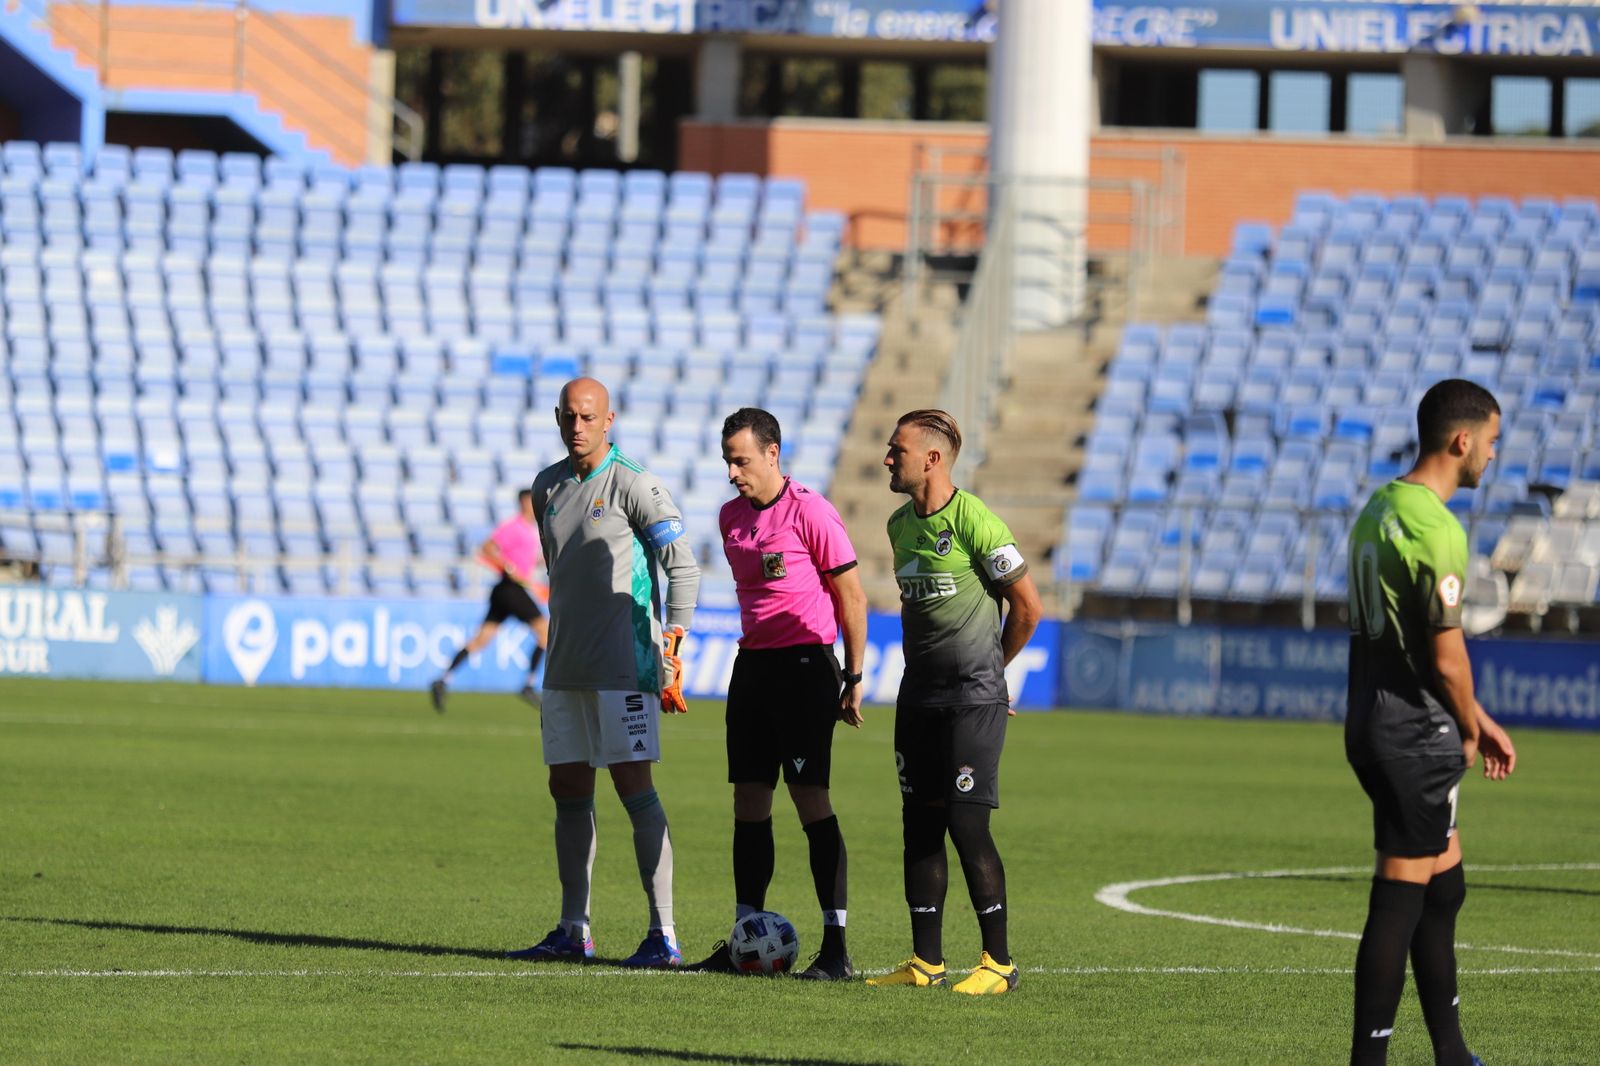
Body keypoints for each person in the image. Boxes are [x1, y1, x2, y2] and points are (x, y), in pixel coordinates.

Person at [1345, 378, 1516, 1066]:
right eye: (1493, 443)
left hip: (1377, 717)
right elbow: (1447, 657)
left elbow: (1411, 644)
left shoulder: (1379, 507)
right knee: (1400, 896)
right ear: (1462, 441)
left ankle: (1452, 1052)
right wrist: (1468, 729)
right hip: (1415, 733)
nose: (1493, 458)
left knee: (1444, 885)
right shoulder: (1437, 528)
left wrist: (1480, 718)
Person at [507, 377, 701, 969]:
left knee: (634, 788)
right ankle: (574, 928)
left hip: (625, 666)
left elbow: (683, 567)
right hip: (566, 664)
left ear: (608, 419)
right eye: (568, 416)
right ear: (557, 417)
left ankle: (663, 935)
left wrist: (671, 642)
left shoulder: (634, 484)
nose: (577, 426)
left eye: (588, 417)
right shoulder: (547, 487)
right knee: (566, 789)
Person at [684, 408, 869, 981]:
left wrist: (854, 678)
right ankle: (746, 937)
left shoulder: (811, 510)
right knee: (748, 802)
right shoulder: (729, 517)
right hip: (753, 668)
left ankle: (835, 948)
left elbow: (852, 597)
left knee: (810, 798)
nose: (733, 473)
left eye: (741, 460)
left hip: (806, 667)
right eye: (727, 462)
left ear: (772, 454)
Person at [866, 409, 1042, 996]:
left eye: (898, 450)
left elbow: (1027, 607)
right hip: (918, 697)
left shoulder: (976, 521)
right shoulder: (898, 526)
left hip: (972, 699)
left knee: (967, 825)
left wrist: (994, 672)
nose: (888, 458)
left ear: (931, 460)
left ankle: (1000, 965)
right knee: (920, 826)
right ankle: (926, 963)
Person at [430, 489, 548, 712]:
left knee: (481, 639)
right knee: (546, 632)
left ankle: (443, 679)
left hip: (508, 590)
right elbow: (486, 548)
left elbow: (527, 561)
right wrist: (508, 567)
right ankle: (529, 684)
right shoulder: (513, 526)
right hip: (511, 589)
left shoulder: (530, 530)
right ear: (523, 503)